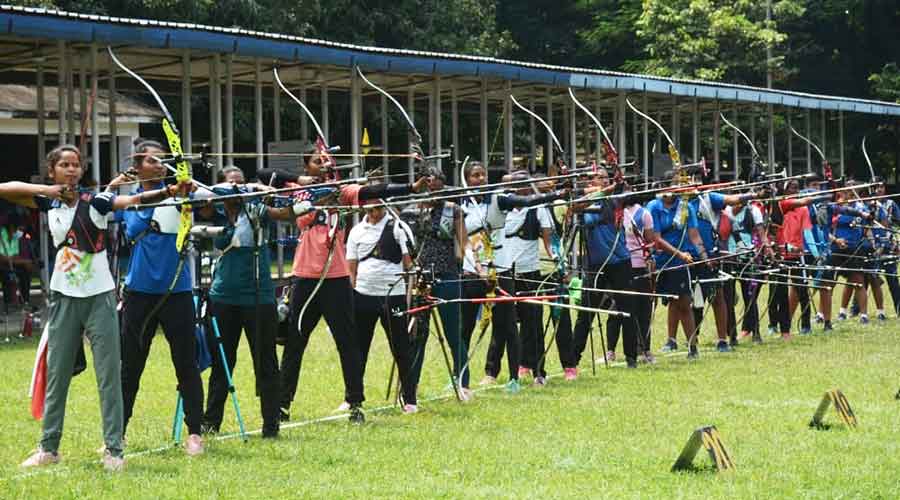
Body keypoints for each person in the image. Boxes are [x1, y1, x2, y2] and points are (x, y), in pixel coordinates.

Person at [16, 145, 179, 470]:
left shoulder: (97, 200)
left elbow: (130, 200)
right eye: (64, 165)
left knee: (108, 376)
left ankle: (114, 450)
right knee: (58, 375)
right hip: (63, 297)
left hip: (99, 297)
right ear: (53, 171)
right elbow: (6, 189)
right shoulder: (48, 200)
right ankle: (48, 448)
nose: (72, 169)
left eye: (76, 165)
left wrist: (172, 190)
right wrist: (45, 190)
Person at [267, 146, 428, 424]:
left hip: (337, 278)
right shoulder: (298, 190)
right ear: (307, 167)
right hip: (305, 276)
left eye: (328, 162)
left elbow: (375, 192)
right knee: (296, 342)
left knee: (348, 343)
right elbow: (265, 174)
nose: (325, 165)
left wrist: (411, 187)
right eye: (318, 162)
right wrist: (303, 182)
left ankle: (355, 402)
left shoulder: (342, 191)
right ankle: (282, 404)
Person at [198, 166, 306, 439]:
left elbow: (286, 213)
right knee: (223, 362)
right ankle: (211, 423)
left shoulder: (257, 209)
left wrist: (303, 200)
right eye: (230, 185)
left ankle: (271, 425)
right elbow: (202, 205)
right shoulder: (214, 209)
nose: (237, 189)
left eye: (241, 184)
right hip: (223, 297)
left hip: (259, 298)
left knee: (266, 362)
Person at [118, 139, 207, 456]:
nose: (160, 166)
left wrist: (193, 189)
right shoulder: (128, 199)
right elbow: (133, 227)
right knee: (130, 366)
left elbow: (215, 200)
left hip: (177, 290)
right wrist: (167, 195)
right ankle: (118, 433)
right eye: (153, 161)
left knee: (186, 363)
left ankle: (195, 432)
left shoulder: (183, 193)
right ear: (138, 165)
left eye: (163, 161)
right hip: (140, 292)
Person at [346, 203, 418, 413]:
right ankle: (352, 399)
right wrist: (351, 296)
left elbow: (409, 264)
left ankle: (410, 399)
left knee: (401, 348)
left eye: (377, 208)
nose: (374, 214)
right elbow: (351, 269)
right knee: (358, 350)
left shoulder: (397, 227)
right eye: (369, 210)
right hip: (363, 295)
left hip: (392, 296)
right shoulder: (356, 231)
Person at [647, 182, 705, 360]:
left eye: (673, 187)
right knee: (649, 305)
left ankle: (692, 347)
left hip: (679, 263)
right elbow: (655, 239)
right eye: (665, 187)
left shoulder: (684, 206)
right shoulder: (653, 206)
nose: (669, 192)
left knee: (684, 303)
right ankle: (644, 350)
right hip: (657, 262)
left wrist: (704, 256)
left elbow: (694, 234)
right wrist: (680, 254)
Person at [0, 210, 35, 310]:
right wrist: (22, 261)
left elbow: (15, 255)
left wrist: (25, 262)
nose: (21, 232)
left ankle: (25, 300)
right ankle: (9, 303)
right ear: (12, 227)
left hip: (9, 263)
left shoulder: (15, 237)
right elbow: (2, 257)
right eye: (20, 228)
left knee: (25, 272)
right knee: (7, 274)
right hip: (2, 265)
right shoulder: (2, 234)